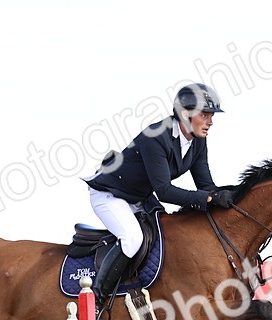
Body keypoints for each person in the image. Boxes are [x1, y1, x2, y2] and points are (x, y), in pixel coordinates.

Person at [84, 83, 236, 305]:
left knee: (167, 235)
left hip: (140, 197)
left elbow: (206, 185)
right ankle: (96, 300)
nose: (210, 122)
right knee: (133, 239)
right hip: (110, 195)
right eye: (204, 115)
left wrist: (232, 194)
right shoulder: (156, 137)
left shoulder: (198, 141)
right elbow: (164, 191)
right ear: (185, 115)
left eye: (211, 116)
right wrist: (208, 199)